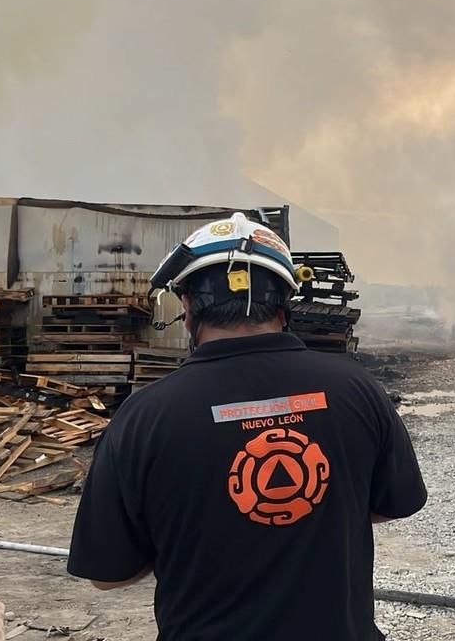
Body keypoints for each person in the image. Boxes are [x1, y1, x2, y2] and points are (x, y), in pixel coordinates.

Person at [67, 212, 427, 641]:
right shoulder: (356, 388)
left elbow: (108, 575)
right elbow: (395, 502)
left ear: (186, 306)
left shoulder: (145, 417)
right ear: (284, 304)